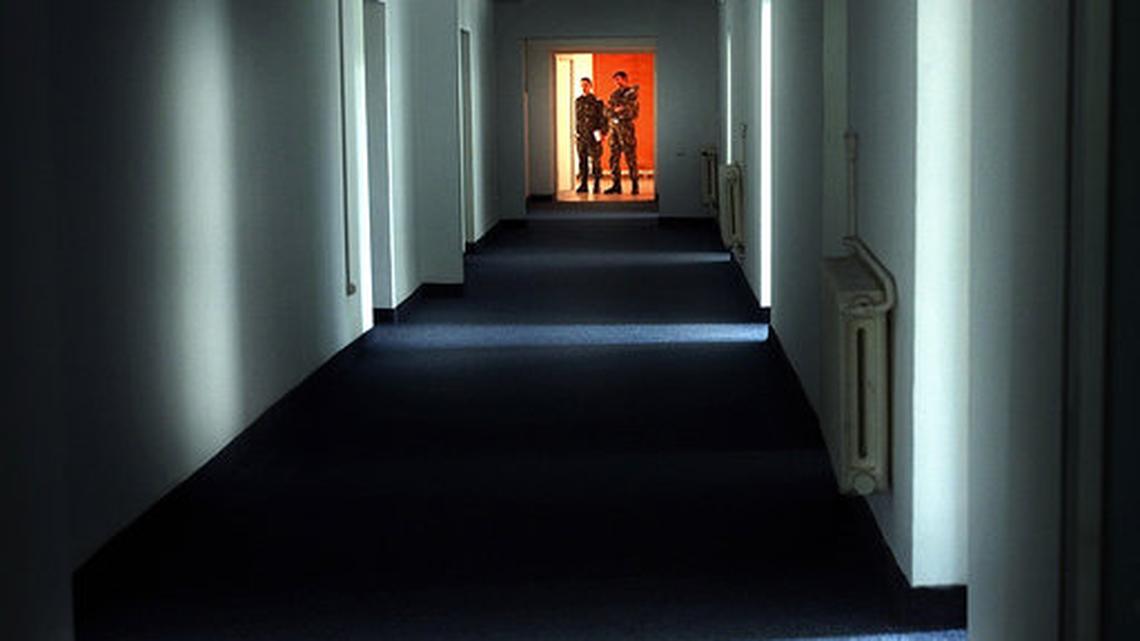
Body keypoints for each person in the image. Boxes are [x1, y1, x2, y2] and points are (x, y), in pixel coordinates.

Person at [604, 70, 640, 195]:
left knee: (630, 157)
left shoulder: (632, 95)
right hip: (614, 130)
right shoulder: (614, 95)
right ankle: (616, 185)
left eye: (618, 79)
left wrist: (618, 111)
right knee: (614, 157)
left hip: (626, 130)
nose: (616, 82)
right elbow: (606, 111)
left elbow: (633, 112)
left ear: (625, 79)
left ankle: (635, 184)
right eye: (615, 80)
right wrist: (617, 110)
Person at [574, 77, 608, 193]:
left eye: (586, 85)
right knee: (582, 161)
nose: (584, 87)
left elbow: (603, 118)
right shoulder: (578, 101)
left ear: (591, 86)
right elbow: (577, 118)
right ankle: (583, 184)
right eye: (582, 85)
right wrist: (576, 132)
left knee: (595, 161)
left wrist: (603, 133)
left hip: (594, 135)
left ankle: (597, 184)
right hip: (581, 135)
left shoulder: (597, 102)